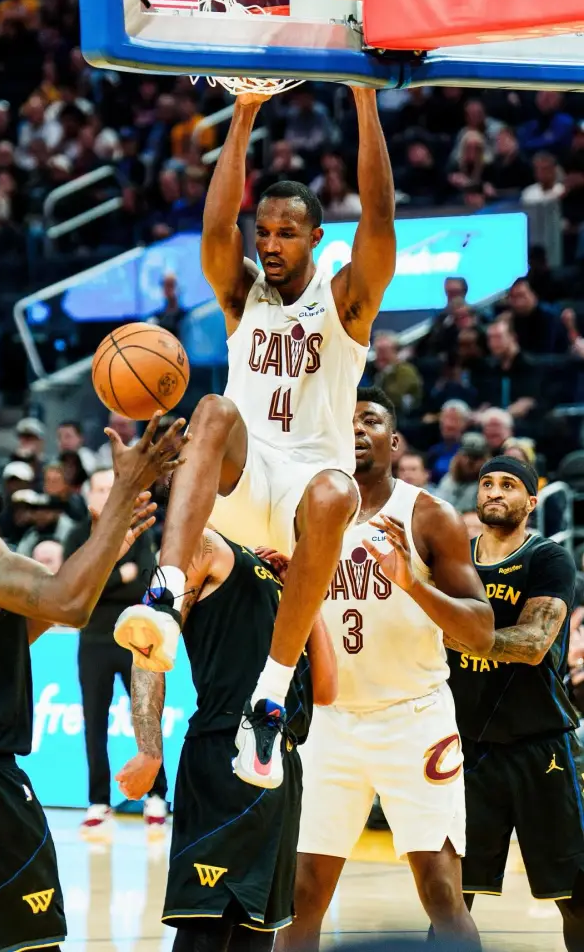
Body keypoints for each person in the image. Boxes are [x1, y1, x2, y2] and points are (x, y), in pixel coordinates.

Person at [115, 87, 396, 790]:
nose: (269, 243)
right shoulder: (243, 297)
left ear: (316, 239)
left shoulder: (347, 301)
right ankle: (164, 595)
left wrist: (364, 100)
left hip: (309, 495)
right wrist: (242, 114)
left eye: (286, 233)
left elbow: (380, 216)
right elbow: (216, 229)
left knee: (337, 493)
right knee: (212, 408)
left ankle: (268, 702)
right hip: (245, 482)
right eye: (264, 231)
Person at [0, 416, 185, 952]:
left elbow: (12, 632)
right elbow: (68, 603)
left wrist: (100, 554)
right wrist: (126, 488)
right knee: (30, 944)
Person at [281, 388, 492, 950]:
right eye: (345, 420)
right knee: (301, 894)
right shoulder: (302, 514)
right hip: (331, 722)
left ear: (393, 441)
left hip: (415, 720)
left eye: (370, 420)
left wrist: (412, 583)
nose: (356, 429)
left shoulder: (429, 515)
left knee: (441, 892)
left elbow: (481, 629)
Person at [116, 527, 336, 949]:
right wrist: (149, 750)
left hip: (283, 765)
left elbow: (325, 690)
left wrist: (306, 596)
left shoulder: (280, 575)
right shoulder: (204, 545)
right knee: (205, 928)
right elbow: (147, 643)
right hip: (225, 752)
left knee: (256, 937)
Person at [443, 456, 584, 951]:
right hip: (465, 746)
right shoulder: (453, 560)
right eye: (487, 483)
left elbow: (532, 644)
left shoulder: (548, 559)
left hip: (538, 743)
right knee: (450, 898)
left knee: (576, 894)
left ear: (531, 501)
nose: (495, 492)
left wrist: (453, 633)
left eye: (508, 484)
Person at [62, 467, 166, 835]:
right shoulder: (77, 534)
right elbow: (74, 586)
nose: (107, 494)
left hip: (136, 639)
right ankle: (99, 802)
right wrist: (121, 574)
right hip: (93, 640)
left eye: (113, 488)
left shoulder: (139, 530)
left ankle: (157, 796)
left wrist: (104, 580)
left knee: (146, 719)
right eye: (101, 488)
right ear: (89, 495)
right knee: (94, 723)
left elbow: (144, 582)